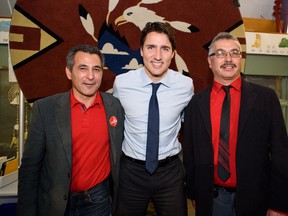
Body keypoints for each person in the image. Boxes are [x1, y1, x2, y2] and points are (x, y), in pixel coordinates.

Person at [183, 32, 288, 216]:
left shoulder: (266, 99)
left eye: (234, 53)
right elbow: (191, 152)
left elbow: (281, 154)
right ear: (210, 61)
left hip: (256, 199)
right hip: (212, 201)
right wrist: (193, 192)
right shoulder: (195, 104)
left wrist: (279, 204)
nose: (228, 59)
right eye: (221, 53)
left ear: (241, 59)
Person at [17, 44, 124, 216]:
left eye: (96, 69)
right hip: (54, 201)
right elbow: (30, 168)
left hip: (98, 200)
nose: (90, 76)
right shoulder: (45, 109)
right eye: (83, 68)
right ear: (69, 72)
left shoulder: (115, 107)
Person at [113, 22, 193, 216]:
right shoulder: (122, 83)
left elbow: (189, 126)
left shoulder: (185, 85)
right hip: (131, 171)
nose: (158, 56)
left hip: (170, 172)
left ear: (173, 53)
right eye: (151, 47)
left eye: (165, 48)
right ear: (141, 51)